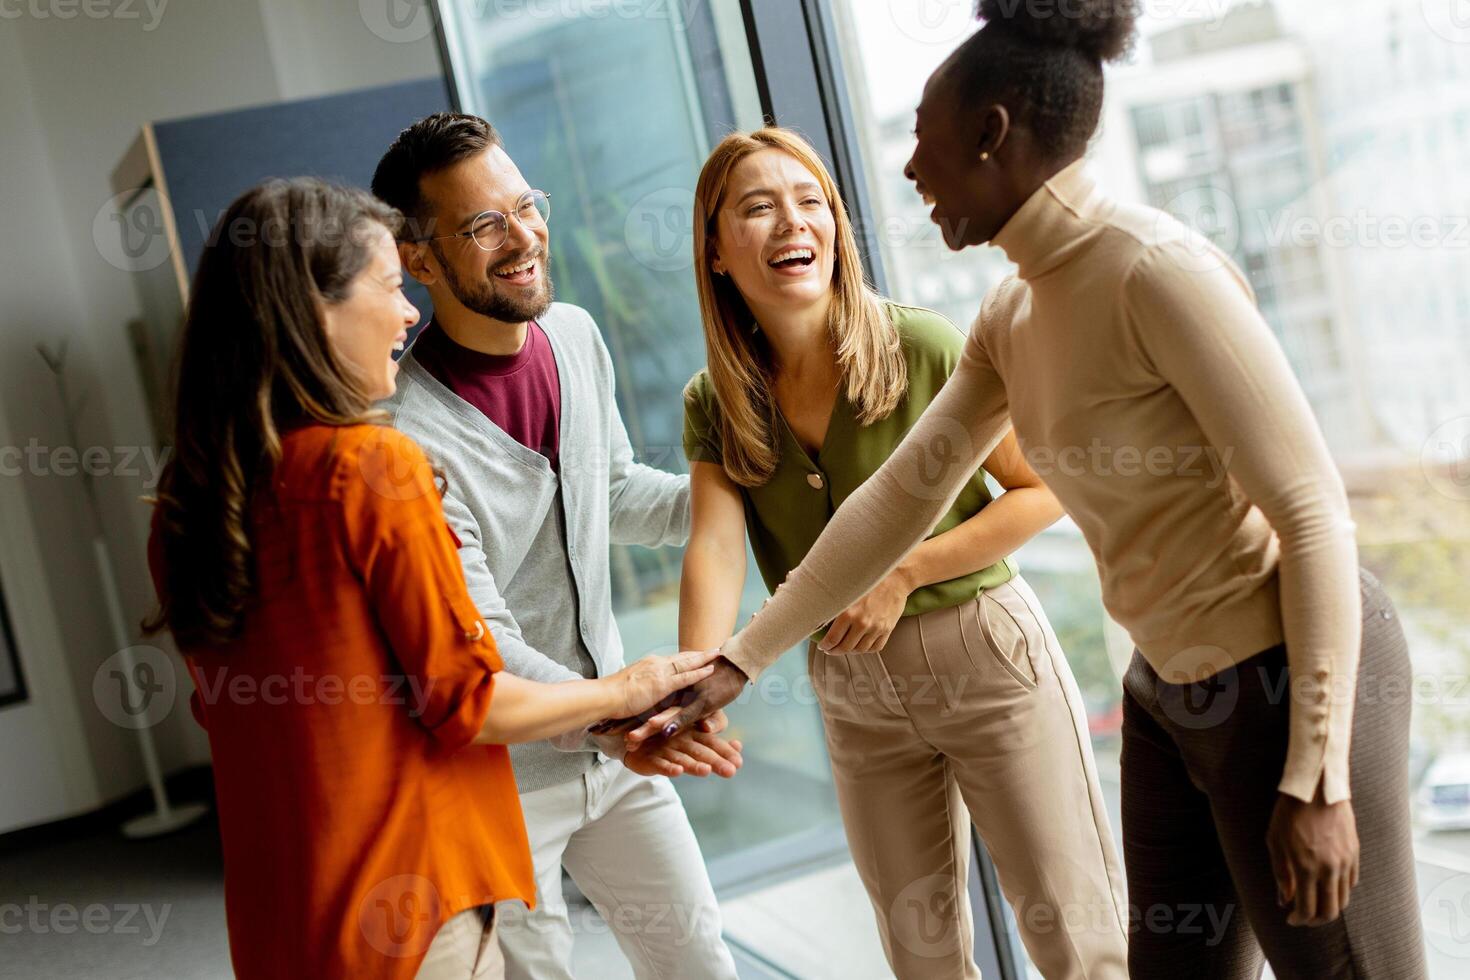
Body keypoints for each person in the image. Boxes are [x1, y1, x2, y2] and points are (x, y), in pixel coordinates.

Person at [625, 2, 1429, 976]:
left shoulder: (1154, 269)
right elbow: (894, 498)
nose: (911, 170)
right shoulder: (1012, 311)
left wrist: (1319, 772)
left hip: (1283, 670)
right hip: (1164, 686)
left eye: (923, 139)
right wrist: (738, 660)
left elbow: (1313, 515)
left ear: (992, 135)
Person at [143, 178, 723, 980]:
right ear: (316, 310)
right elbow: (469, 697)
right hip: (415, 902)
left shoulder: (189, 504)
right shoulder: (371, 465)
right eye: (388, 287)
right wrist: (628, 691)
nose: (409, 312)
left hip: (287, 918)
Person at [664, 125, 1127, 977]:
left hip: (984, 652)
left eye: (810, 204)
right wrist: (700, 674)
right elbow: (717, 548)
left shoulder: (924, 346)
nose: (790, 225)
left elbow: (1043, 490)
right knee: (921, 957)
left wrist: (906, 570)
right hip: (850, 686)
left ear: (836, 227)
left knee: (1076, 938)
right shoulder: (714, 402)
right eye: (758, 209)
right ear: (716, 252)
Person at [370, 113, 741, 979]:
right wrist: (622, 708)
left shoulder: (572, 333)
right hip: (502, 776)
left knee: (698, 961)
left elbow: (610, 492)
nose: (522, 236)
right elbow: (485, 641)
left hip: (618, 750)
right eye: (482, 225)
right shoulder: (404, 435)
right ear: (420, 261)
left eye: (525, 206)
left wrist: (738, 491)